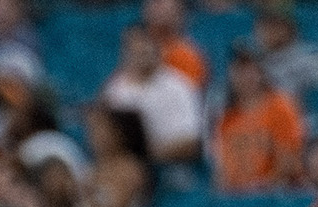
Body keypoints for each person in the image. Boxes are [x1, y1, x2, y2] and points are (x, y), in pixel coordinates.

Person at [100, 24, 204, 167]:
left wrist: (146, 156)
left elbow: (192, 142)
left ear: (155, 47)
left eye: (144, 45)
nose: (140, 51)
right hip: (127, 165)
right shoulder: (115, 88)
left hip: (169, 167)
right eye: (133, 47)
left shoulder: (178, 86)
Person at [213, 46, 307, 192]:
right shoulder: (227, 116)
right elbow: (221, 169)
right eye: (238, 69)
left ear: (261, 71)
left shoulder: (280, 106)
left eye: (249, 68)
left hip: (275, 196)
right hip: (236, 199)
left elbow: (289, 162)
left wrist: (258, 187)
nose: (244, 75)